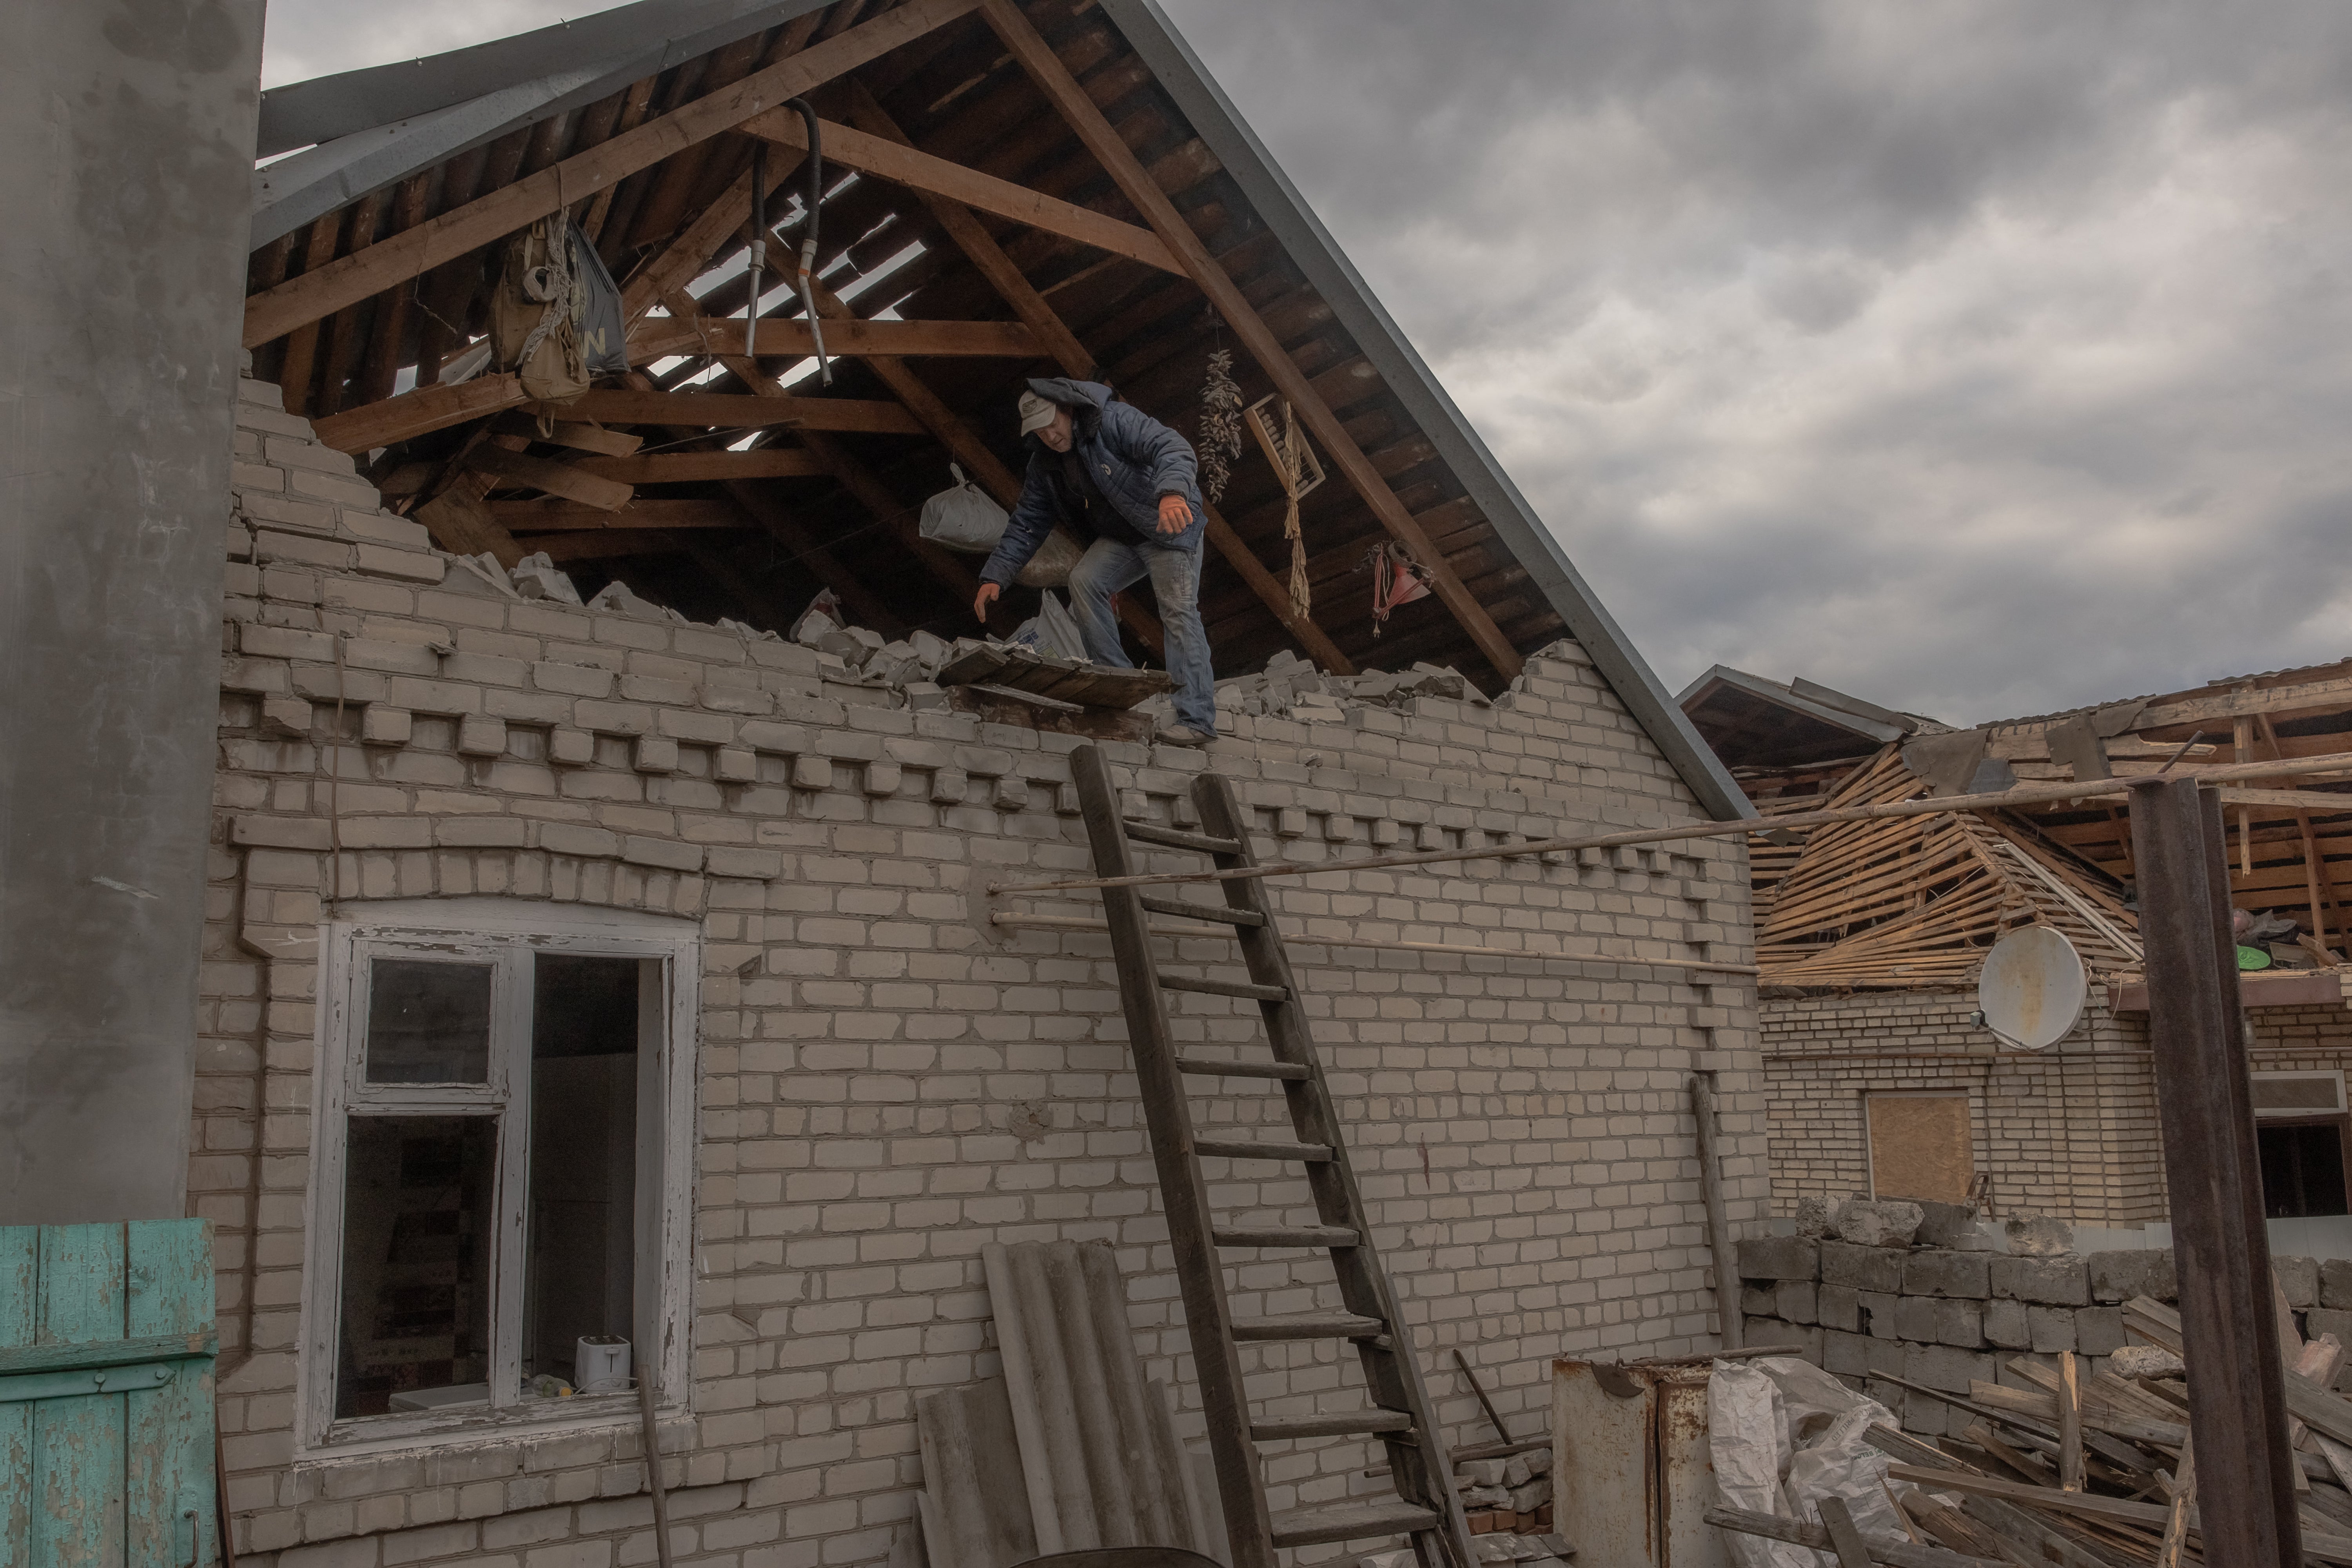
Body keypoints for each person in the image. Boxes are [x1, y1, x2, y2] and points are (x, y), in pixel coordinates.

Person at [971, 377, 1217, 746]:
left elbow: (1172, 446)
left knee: (1178, 613)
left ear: (1068, 409)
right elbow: (1027, 522)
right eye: (1040, 432)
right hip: (1123, 537)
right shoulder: (1045, 465)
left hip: (1170, 528)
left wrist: (1171, 493)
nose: (1051, 436)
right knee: (1085, 580)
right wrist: (996, 575)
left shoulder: (1114, 420)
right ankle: (1119, 689)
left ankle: (1196, 720)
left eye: (1053, 424)